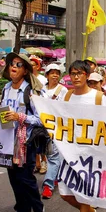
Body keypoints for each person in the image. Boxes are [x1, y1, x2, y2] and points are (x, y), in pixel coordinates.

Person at [58, 60, 106, 212]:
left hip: (91, 155)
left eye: (80, 73)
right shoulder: (67, 96)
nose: (76, 77)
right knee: (65, 193)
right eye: (73, 73)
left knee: (84, 195)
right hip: (69, 152)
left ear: (87, 75)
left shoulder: (98, 97)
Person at [0, 53, 45, 212]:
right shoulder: (6, 88)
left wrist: (19, 117)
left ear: (24, 71)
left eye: (18, 64)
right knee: (14, 179)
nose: (13, 66)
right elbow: (3, 109)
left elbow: (42, 119)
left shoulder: (31, 91)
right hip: (8, 140)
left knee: (27, 179)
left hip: (25, 143)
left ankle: (38, 211)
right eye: (11, 64)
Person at [41, 63, 67, 200]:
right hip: (40, 127)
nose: (55, 75)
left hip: (56, 127)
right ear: (47, 75)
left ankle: (48, 185)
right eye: (52, 73)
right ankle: (56, 175)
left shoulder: (62, 90)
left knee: (53, 156)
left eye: (57, 73)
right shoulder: (41, 89)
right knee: (49, 155)